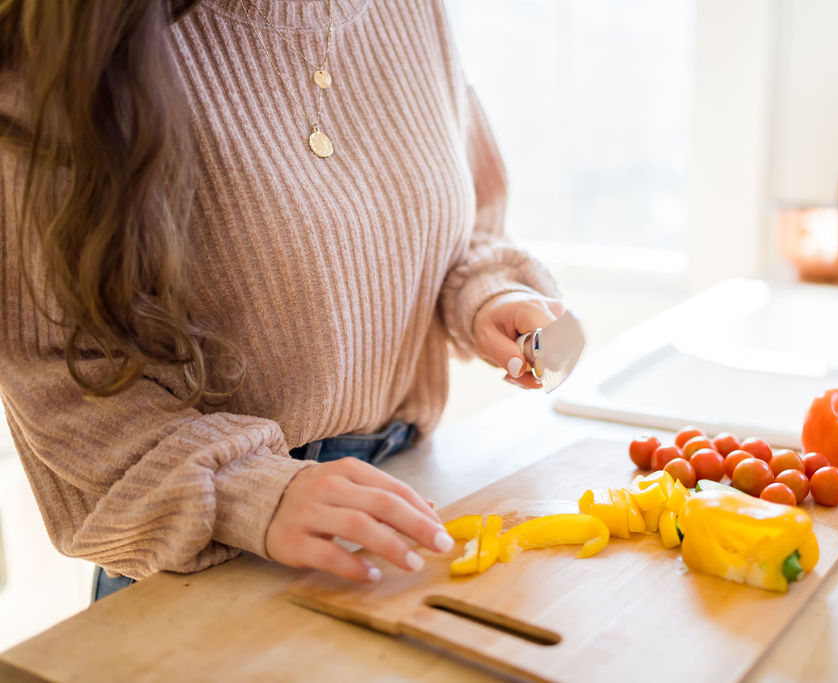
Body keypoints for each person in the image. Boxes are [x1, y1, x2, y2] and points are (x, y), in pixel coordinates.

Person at [0, 0, 563, 601]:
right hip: (212, 557)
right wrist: (245, 488)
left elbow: (465, 220)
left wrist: (487, 293)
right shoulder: (67, 48)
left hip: (405, 495)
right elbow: (57, 375)